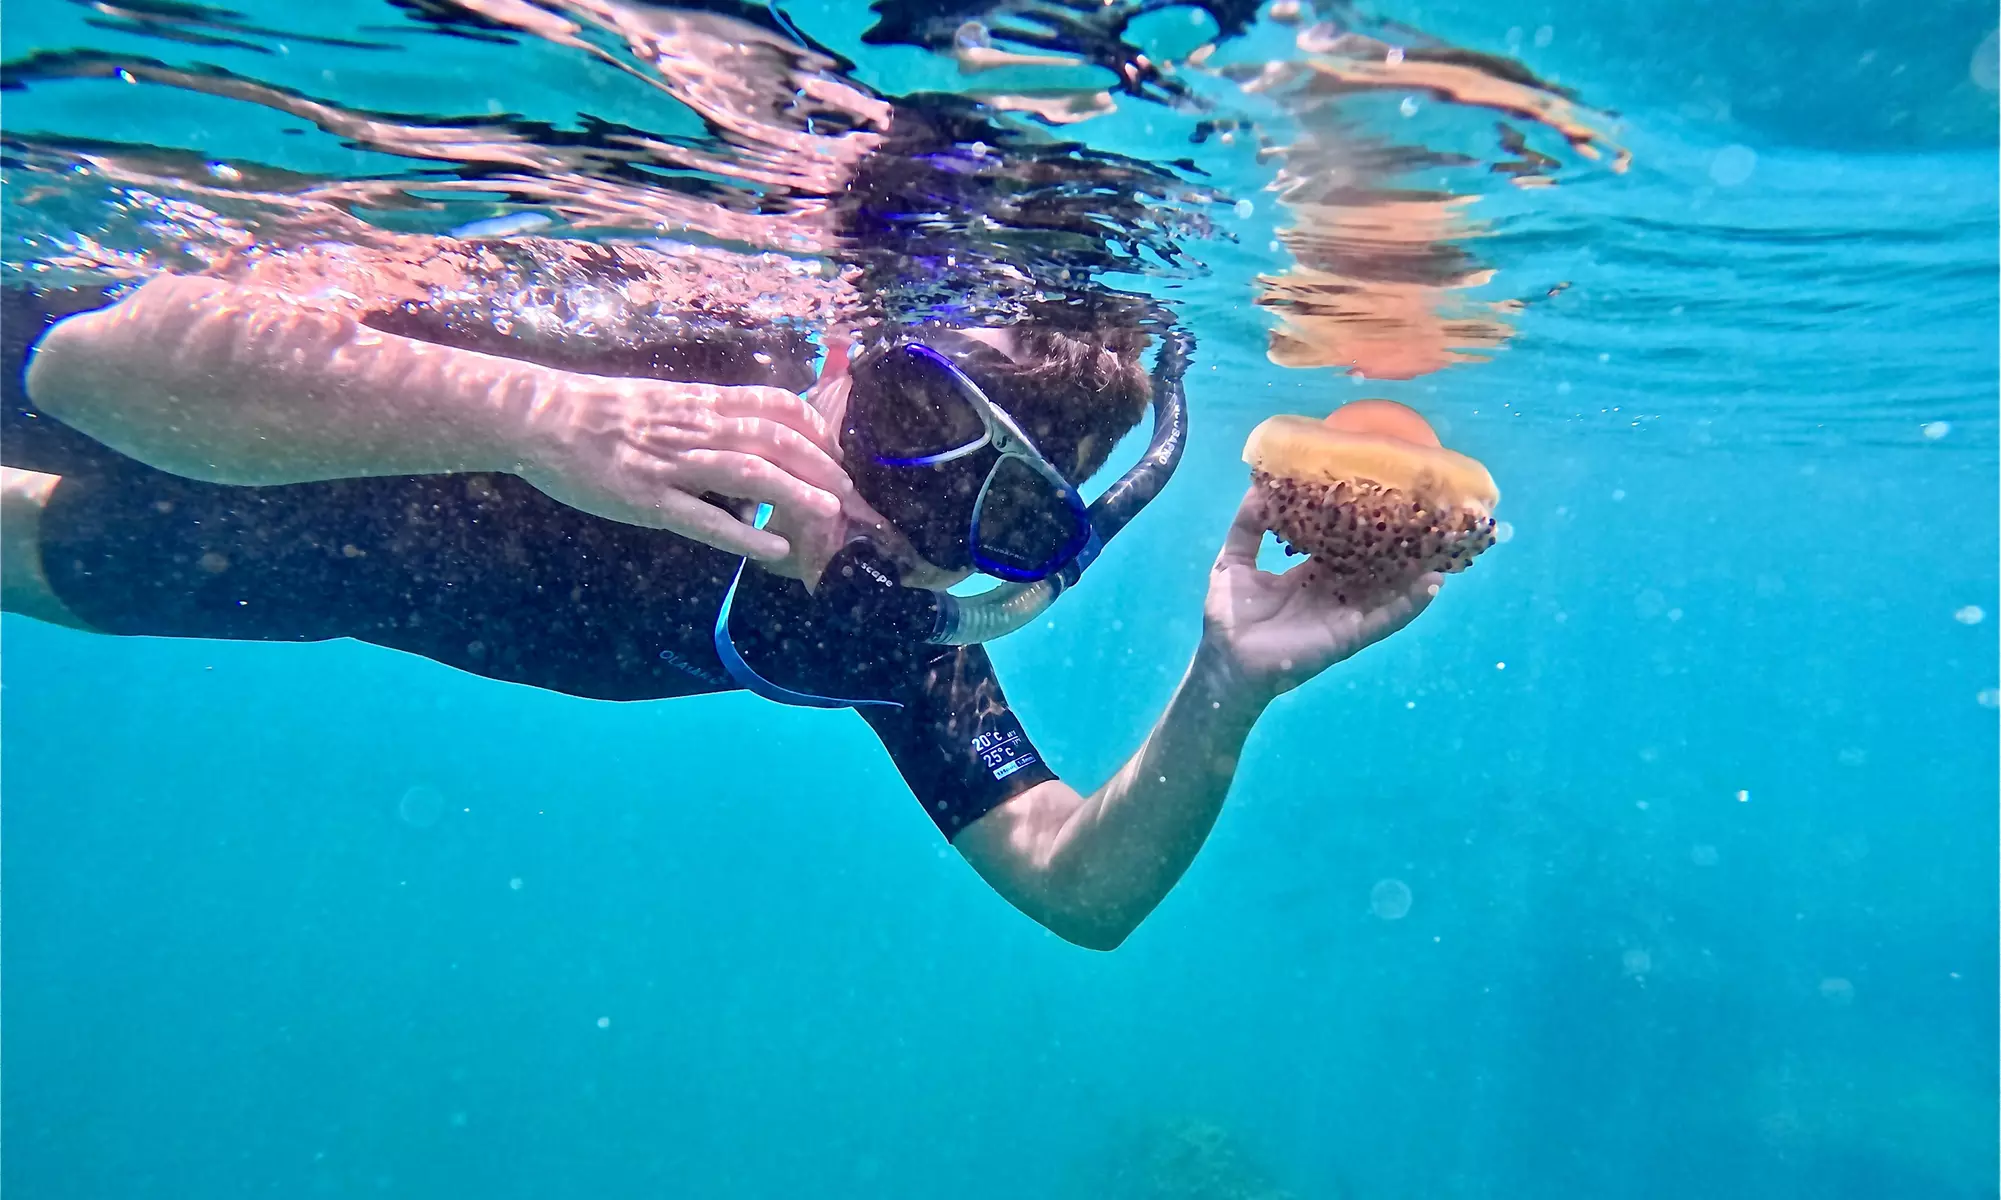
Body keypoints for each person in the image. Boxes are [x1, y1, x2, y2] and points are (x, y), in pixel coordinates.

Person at [2, 239, 1443, 950]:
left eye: (983, 517)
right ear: (838, 360)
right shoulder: (652, 343)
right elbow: (89, 367)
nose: (868, 523)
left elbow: (1084, 889)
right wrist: (526, 414)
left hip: (161, 565)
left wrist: (1227, 686)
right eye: (887, 423)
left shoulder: (871, 628)